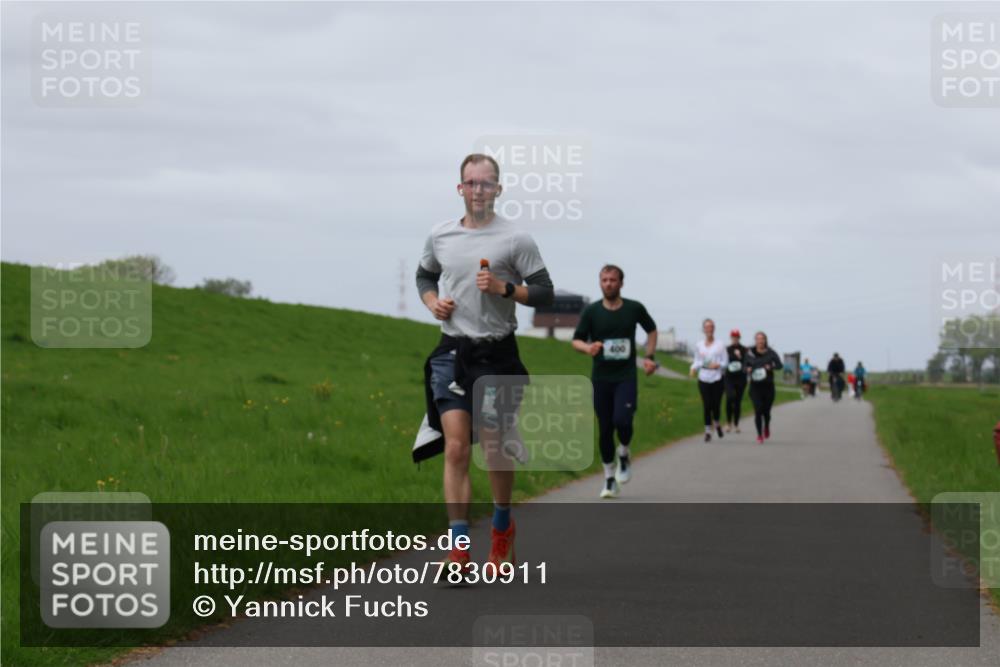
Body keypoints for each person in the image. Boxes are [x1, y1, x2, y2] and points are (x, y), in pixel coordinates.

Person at [413, 153, 554, 574]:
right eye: (471, 183)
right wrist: (433, 302)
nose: (478, 190)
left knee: (492, 446)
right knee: (456, 447)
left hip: (497, 355)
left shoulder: (516, 240)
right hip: (453, 353)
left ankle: (501, 525)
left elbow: (545, 293)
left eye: (486, 183)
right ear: (460, 188)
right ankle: (458, 549)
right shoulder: (440, 236)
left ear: (498, 189)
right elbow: (424, 276)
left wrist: (504, 288)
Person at [572, 265, 658, 499]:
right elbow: (576, 340)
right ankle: (609, 478)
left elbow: (651, 330)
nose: (608, 284)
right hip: (601, 378)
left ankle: (624, 452)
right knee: (605, 429)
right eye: (604, 280)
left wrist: (649, 357)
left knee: (622, 419)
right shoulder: (591, 312)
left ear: (621, 283)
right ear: (600, 283)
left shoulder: (634, 308)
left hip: (625, 376)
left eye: (612, 280)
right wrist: (588, 347)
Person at [690, 318, 727, 442]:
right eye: (707, 327)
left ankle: (716, 423)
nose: (709, 329)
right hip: (703, 378)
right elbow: (697, 360)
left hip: (717, 378)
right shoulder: (699, 345)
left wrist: (718, 365)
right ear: (703, 330)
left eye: (711, 327)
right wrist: (693, 368)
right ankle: (707, 432)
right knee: (707, 405)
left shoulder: (720, 345)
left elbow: (725, 362)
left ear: (714, 329)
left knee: (715, 405)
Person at [745, 331, 783, 444]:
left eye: (762, 339)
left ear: (765, 340)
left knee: (766, 412)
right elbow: (744, 366)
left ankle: (766, 426)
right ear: (755, 340)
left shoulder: (771, 353)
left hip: (768, 386)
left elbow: (780, 365)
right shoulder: (750, 353)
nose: (760, 341)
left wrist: (771, 366)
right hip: (755, 386)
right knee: (758, 410)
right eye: (758, 339)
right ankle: (759, 435)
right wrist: (747, 369)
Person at [724, 329, 748, 433]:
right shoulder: (727, 349)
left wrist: (740, 356)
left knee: (737, 401)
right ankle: (728, 423)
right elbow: (723, 361)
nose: (735, 338)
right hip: (729, 377)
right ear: (731, 338)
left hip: (741, 378)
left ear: (739, 337)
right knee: (730, 398)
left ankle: (736, 424)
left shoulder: (744, 349)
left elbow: (747, 362)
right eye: (733, 337)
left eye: (736, 337)